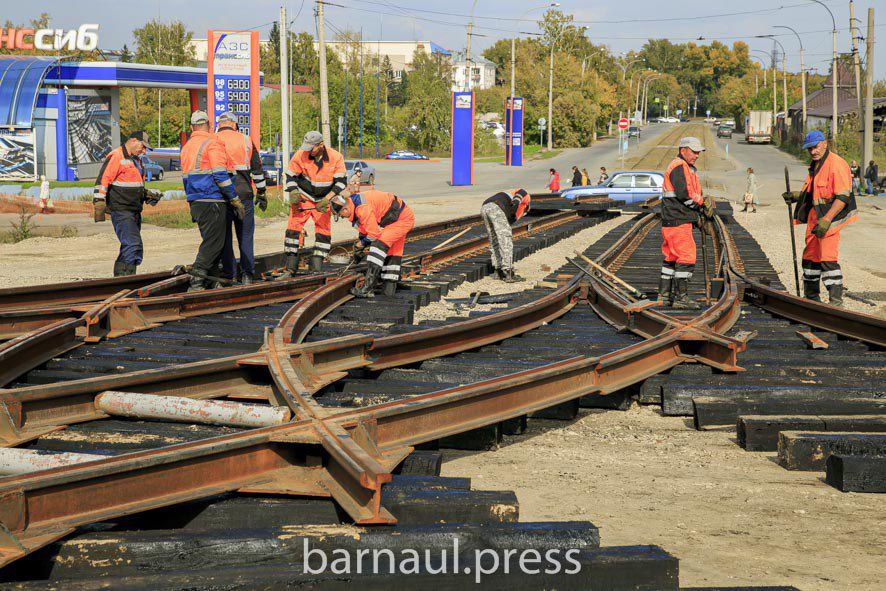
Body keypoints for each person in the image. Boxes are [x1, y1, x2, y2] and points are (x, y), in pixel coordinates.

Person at [782, 130, 857, 306]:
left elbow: (842, 197)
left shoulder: (836, 164)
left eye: (815, 147)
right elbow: (815, 191)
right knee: (810, 259)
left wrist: (827, 220)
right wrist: (796, 196)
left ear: (824, 143)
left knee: (827, 259)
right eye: (810, 149)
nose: (813, 151)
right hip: (815, 219)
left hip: (829, 219)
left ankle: (835, 302)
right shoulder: (817, 164)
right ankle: (811, 298)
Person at [180, 110, 244, 291]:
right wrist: (233, 198)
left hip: (196, 200)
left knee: (214, 240)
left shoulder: (187, 147)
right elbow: (220, 174)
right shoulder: (212, 143)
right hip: (213, 199)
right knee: (214, 242)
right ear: (208, 125)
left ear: (192, 127)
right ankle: (198, 278)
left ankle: (214, 279)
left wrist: (192, 198)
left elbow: (186, 178)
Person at [93, 130, 160, 276]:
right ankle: (127, 279)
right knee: (133, 245)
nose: (143, 150)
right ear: (133, 140)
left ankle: (119, 279)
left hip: (134, 209)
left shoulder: (136, 160)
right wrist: (98, 201)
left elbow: (132, 183)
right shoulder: (117, 156)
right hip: (121, 209)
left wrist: (145, 195)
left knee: (129, 246)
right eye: (142, 146)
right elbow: (103, 180)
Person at [658, 136, 715, 309]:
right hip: (678, 218)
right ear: (683, 150)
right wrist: (700, 204)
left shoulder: (683, 166)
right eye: (694, 151)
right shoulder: (679, 167)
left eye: (699, 152)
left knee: (671, 258)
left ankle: (665, 295)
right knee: (686, 256)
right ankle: (681, 298)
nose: (697, 155)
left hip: (672, 219)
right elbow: (684, 194)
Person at [329, 189, 415, 298]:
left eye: (340, 215)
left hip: (402, 220)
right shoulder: (354, 204)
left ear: (345, 209)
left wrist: (363, 243)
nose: (342, 217)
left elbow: (374, 234)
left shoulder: (361, 208)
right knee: (392, 254)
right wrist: (361, 242)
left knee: (378, 247)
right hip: (397, 219)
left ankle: (366, 289)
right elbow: (365, 228)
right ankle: (389, 291)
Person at [282, 131, 347, 275]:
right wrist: (293, 191)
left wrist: (327, 199)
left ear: (321, 145)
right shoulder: (301, 154)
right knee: (293, 228)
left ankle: (316, 266)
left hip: (323, 200)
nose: (308, 150)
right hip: (303, 198)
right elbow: (290, 175)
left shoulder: (336, 157)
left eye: (311, 147)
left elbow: (341, 183)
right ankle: (291, 266)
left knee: (323, 232)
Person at [215, 111, 267, 285]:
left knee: (225, 237)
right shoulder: (245, 140)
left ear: (219, 125)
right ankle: (247, 275)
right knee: (245, 235)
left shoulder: (212, 140)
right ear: (235, 125)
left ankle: (228, 274)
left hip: (221, 195)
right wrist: (262, 192)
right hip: (244, 193)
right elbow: (257, 171)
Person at [480, 188, 531, 283]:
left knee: (494, 239)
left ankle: (498, 270)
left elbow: (509, 220)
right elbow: (520, 194)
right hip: (496, 207)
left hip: (485, 207)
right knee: (505, 239)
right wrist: (516, 204)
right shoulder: (525, 196)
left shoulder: (507, 200)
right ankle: (508, 272)